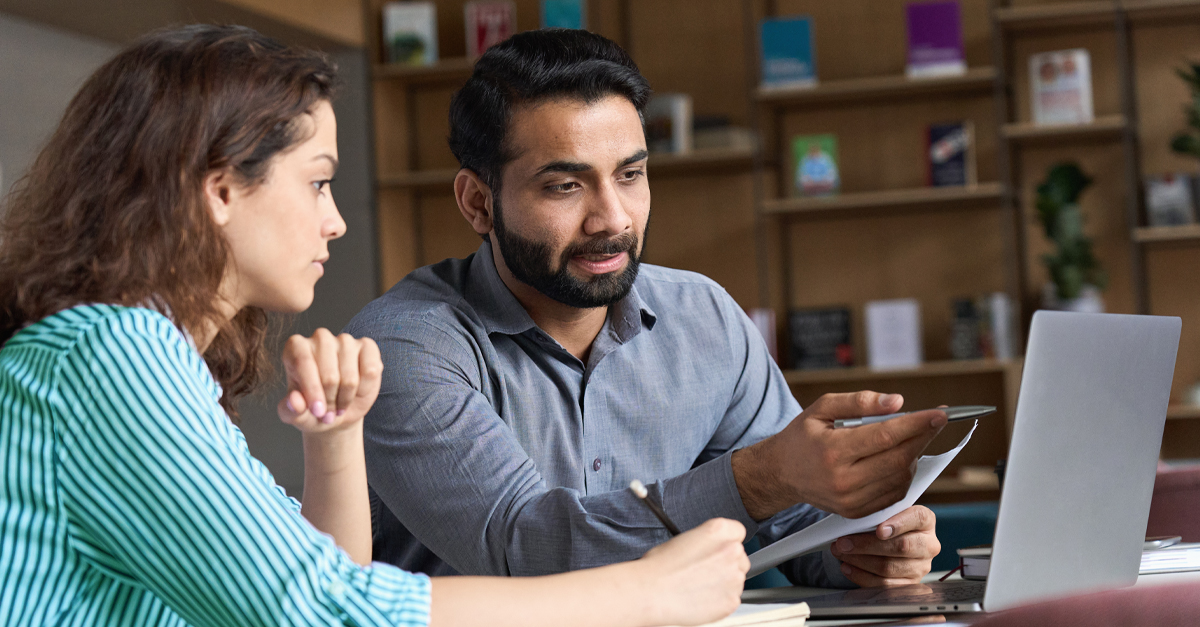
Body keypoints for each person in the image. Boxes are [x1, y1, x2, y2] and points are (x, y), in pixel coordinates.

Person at [0, 24, 752, 627]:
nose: (334, 222)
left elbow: (327, 577)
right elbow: (320, 610)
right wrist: (641, 596)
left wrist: (332, 443)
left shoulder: (135, 358)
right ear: (222, 187)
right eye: (318, 182)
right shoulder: (109, 354)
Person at [347, 28, 945, 589]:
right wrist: (763, 476)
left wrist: (869, 546)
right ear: (478, 202)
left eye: (630, 174)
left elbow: (796, 530)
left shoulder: (703, 317)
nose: (614, 219)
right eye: (565, 186)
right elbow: (525, 549)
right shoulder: (404, 345)